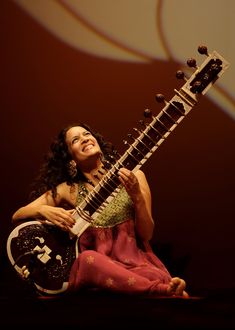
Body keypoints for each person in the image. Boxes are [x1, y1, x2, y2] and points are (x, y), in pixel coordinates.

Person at [12, 123, 188, 298]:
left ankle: (160, 288)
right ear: (71, 159)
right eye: (75, 140)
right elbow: (18, 214)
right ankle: (160, 290)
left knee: (152, 276)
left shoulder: (135, 176)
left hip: (135, 263)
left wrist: (137, 196)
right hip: (96, 268)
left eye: (87, 134)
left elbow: (147, 234)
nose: (84, 139)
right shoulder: (68, 189)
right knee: (89, 260)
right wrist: (43, 210)